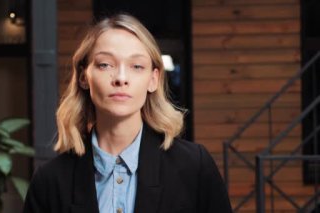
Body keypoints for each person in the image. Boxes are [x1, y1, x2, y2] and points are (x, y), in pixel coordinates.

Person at [23, 14, 232, 213]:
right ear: (84, 77)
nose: (121, 78)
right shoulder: (49, 181)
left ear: (153, 79)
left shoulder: (194, 167)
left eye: (136, 66)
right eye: (105, 64)